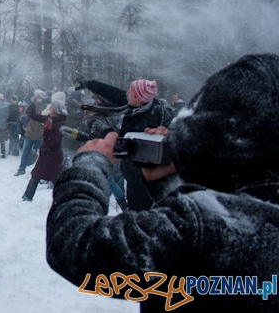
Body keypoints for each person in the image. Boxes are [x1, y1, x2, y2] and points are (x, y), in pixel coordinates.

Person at [47, 53, 279, 311]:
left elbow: (73, 243)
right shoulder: (256, 213)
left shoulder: (204, 227)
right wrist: (167, 179)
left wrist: (90, 165)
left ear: (217, 135)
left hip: (129, 174)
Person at [73, 76, 169, 210]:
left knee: (139, 213)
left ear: (138, 97)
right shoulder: (142, 103)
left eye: (130, 91)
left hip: (141, 180)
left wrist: (105, 131)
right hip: (134, 174)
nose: (127, 93)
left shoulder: (147, 121)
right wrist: (89, 83)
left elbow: (125, 149)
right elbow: (112, 92)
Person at [21, 100, 66, 201]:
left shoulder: (61, 124)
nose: (49, 109)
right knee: (37, 175)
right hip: (46, 154)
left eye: (51, 108)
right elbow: (32, 115)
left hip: (53, 156)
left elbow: (54, 142)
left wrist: (47, 130)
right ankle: (27, 197)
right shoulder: (49, 119)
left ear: (56, 110)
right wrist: (33, 102)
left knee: (53, 178)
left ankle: (62, 199)